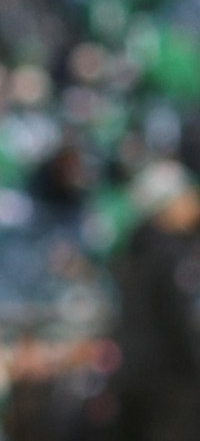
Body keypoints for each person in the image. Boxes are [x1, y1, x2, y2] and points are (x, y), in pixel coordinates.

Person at [115, 161, 200, 439]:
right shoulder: (171, 255)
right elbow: (182, 321)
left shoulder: (133, 249)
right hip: (172, 381)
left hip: (135, 376)